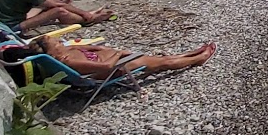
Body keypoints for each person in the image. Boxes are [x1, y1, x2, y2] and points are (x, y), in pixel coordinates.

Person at [26, 32, 215, 79]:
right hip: (116, 67)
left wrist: (109, 52)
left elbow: (94, 49)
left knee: (157, 58)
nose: (61, 42)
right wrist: (117, 54)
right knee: (162, 63)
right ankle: (198, 58)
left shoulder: (67, 52)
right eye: (56, 43)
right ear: (52, 52)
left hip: (118, 59)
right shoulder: (70, 61)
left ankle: (188, 54)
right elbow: (106, 68)